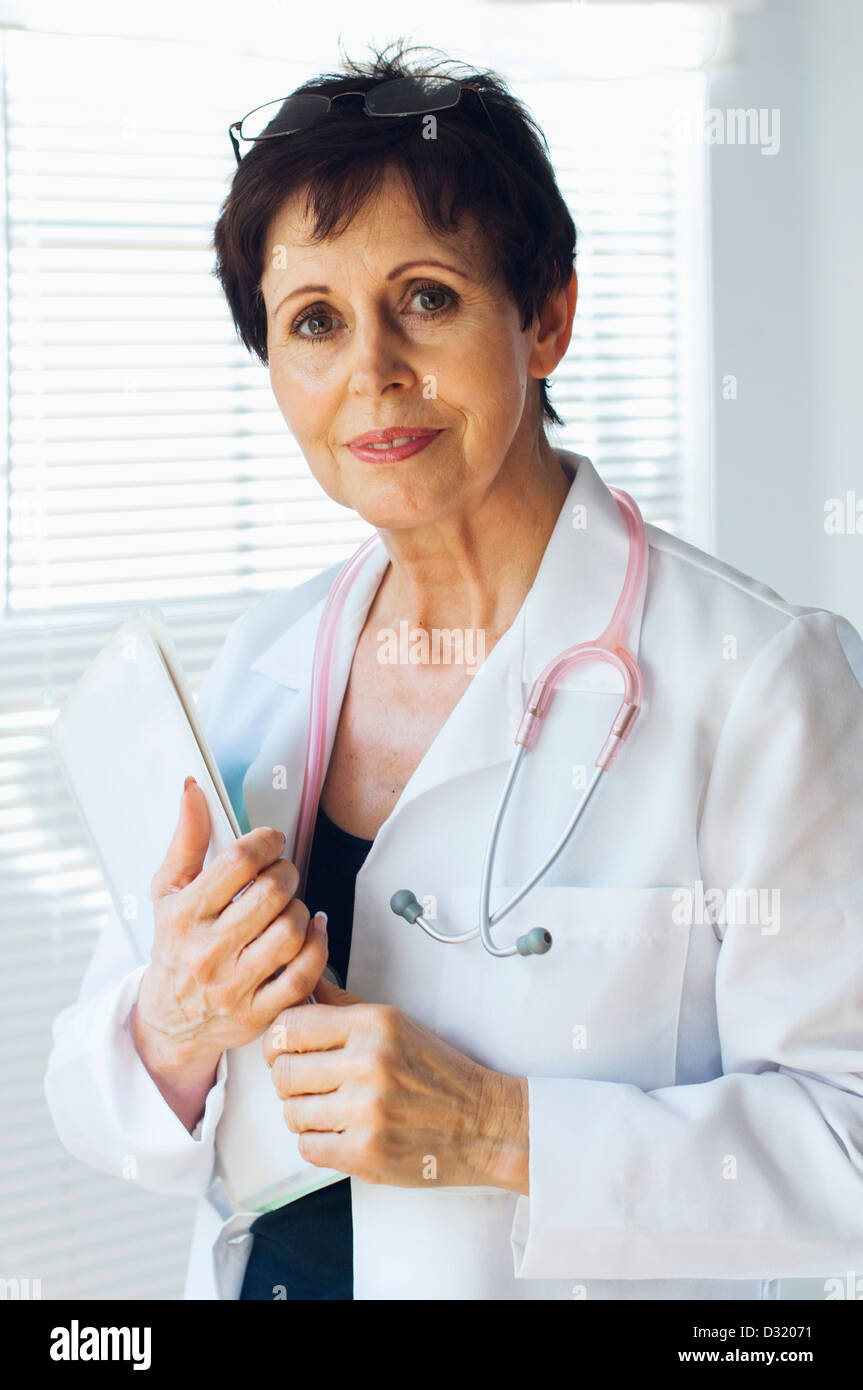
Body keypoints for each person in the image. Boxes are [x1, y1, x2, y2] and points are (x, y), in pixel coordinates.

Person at [45, 41, 863, 1301]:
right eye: (312, 320)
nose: (369, 369)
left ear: (544, 316)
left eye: (424, 298)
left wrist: (493, 1130)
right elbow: (100, 1104)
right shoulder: (264, 661)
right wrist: (173, 1025)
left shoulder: (759, 682)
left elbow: (846, 1150)